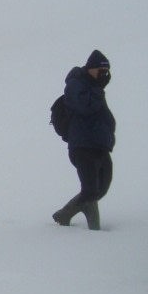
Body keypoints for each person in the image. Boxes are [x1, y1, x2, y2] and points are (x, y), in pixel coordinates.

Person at [52, 50, 116, 231]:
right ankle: (94, 234)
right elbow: (84, 108)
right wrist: (98, 89)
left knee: (102, 187)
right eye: (100, 71)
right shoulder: (75, 84)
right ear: (90, 68)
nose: (103, 75)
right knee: (90, 190)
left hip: (99, 145)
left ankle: (65, 213)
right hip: (81, 144)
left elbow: (102, 115)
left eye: (106, 72)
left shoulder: (95, 88)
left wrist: (110, 132)